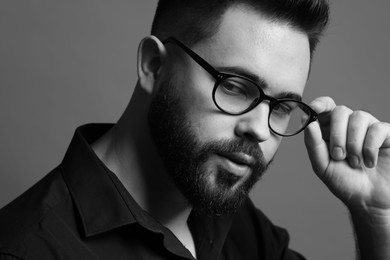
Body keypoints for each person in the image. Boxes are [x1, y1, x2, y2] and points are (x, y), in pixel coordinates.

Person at [0, 0, 389, 259]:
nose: (260, 130)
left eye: (283, 106)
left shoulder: (236, 223)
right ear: (154, 65)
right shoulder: (29, 248)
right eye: (236, 87)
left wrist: (375, 215)